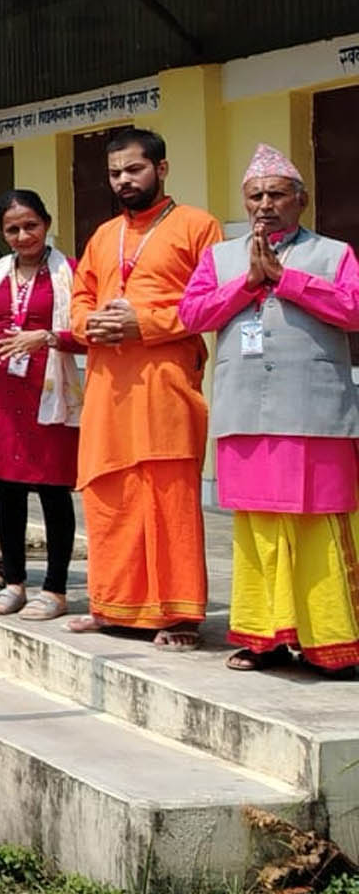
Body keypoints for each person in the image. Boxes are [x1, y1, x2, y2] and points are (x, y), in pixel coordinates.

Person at [179, 144, 359, 674]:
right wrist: (249, 282)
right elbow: (192, 313)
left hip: (315, 415)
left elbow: (353, 309)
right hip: (246, 414)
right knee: (257, 531)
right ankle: (264, 639)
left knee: (318, 526)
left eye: (276, 195)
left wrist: (287, 280)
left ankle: (331, 643)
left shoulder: (334, 253)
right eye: (255, 195)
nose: (264, 204)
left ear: (299, 201)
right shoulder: (220, 258)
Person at [67, 127, 222, 648]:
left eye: (134, 169)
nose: (124, 181)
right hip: (109, 385)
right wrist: (90, 325)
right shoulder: (103, 234)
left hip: (165, 386)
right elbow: (81, 294)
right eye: (115, 173)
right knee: (109, 496)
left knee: (167, 498)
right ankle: (112, 605)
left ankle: (178, 615)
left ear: (162, 168)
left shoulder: (199, 227)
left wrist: (146, 324)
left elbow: (213, 302)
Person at [0, 191, 84, 620]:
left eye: (30, 225)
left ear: (47, 223)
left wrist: (48, 337)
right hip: (0, 391)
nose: (22, 235)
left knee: (53, 489)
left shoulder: (69, 272)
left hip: (49, 390)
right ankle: (13, 582)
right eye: (12, 229)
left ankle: (55, 588)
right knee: (7, 489)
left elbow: (84, 332)